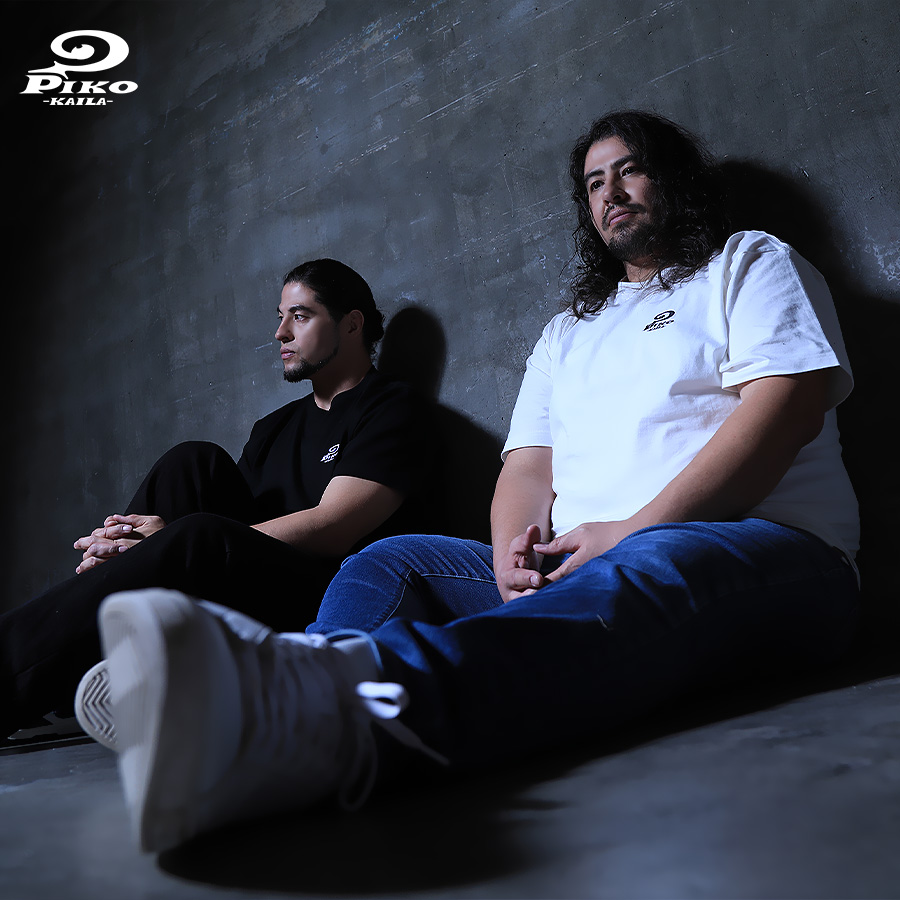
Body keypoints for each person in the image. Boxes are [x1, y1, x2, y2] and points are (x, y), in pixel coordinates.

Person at [85, 111, 861, 854]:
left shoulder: (748, 263)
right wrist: (509, 556)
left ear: (674, 180)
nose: (612, 193)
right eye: (594, 183)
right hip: (580, 560)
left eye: (631, 172)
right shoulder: (570, 330)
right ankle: (289, 693)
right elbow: (526, 466)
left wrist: (632, 530)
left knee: (649, 562)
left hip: (762, 551)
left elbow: (785, 409)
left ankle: (323, 711)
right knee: (391, 559)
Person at [1, 258, 429, 741]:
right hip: (248, 589)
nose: (280, 333)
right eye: (280, 317)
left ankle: (21, 670)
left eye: (301, 316)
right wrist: (135, 546)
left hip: (326, 600)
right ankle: (91, 663)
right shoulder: (274, 428)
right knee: (191, 461)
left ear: (352, 324)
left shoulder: (391, 406)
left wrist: (173, 541)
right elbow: (220, 533)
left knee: (196, 535)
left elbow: (334, 527)